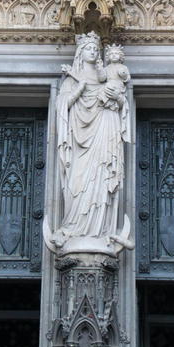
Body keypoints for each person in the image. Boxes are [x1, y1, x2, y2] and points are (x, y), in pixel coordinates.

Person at [53, 32, 131, 249]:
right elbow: (62, 104)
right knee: (77, 182)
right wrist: (79, 89)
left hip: (105, 131)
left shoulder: (105, 75)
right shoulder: (72, 78)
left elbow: (122, 101)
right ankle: (73, 227)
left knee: (102, 176)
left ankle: (101, 230)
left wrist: (117, 98)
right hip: (79, 140)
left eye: (96, 49)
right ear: (80, 51)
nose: (93, 51)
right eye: (89, 48)